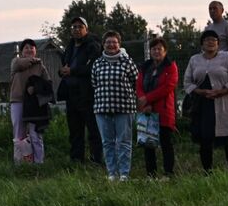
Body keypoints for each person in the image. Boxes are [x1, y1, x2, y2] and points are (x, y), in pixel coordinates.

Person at [183, 29, 228, 173]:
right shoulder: (194, 60)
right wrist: (200, 91)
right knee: (205, 140)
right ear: (202, 44)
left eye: (213, 40)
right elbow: (187, 82)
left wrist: (221, 91)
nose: (210, 43)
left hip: (223, 105)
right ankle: (207, 172)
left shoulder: (227, 59)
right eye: (207, 40)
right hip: (203, 105)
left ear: (218, 44)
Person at [91, 30, 140, 181]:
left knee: (124, 142)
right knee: (107, 142)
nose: (111, 45)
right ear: (103, 44)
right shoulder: (97, 63)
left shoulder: (127, 62)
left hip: (124, 108)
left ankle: (124, 173)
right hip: (102, 108)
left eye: (114, 42)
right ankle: (112, 173)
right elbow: (94, 83)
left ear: (119, 44)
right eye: (108, 42)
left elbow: (136, 81)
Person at [58, 16, 104, 165]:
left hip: (87, 93)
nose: (77, 29)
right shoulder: (70, 46)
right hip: (71, 93)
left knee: (93, 129)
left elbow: (92, 68)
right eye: (74, 27)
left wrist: (72, 71)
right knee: (75, 130)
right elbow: (65, 66)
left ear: (86, 29)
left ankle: (96, 159)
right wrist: (63, 71)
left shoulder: (93, 45)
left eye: (80, 26)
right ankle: (77, 160)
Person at [135, 36, 178, 178]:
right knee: (148, 145)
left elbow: (168, 87)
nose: (156, 51)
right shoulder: (145, 67)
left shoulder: (170, 66)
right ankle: (151, 175)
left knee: (166, 143)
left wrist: (147, 99)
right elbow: (139, 85)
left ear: (165, 51)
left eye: (159, 49)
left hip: (164, 110)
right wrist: (144, 102)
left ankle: (168, 173)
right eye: (154, 49)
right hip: (146, 111)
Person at [9, 38, 48, 164]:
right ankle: (19, 162)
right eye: (26, 47)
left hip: (34, 104)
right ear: (21, 51)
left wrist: (35, 88)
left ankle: (38, 162)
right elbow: (21, 65)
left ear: (36, 50)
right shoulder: (16, 62)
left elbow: (47, 83)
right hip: (18, 101)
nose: (29, 50)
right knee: (19, 134)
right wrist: (34, 60)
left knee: (35, 134)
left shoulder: (40, 66)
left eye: (32, 47)